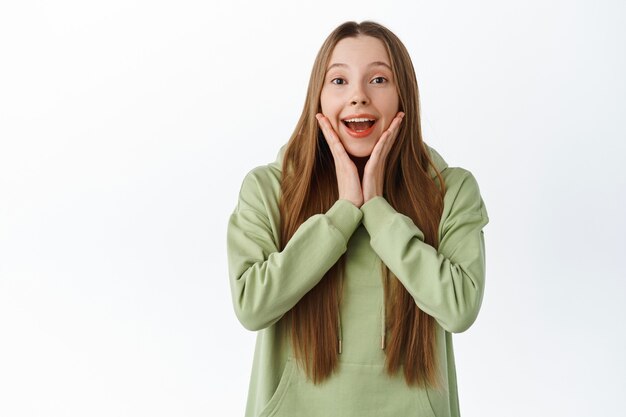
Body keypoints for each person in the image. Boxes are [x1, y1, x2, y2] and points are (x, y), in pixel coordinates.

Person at [227, 20, 489, 417]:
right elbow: (251, 306)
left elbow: (459, 309)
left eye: (379, 79)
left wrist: (378, 210)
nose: (358, 97)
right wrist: (343, 213)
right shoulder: (268, 188)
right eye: (339, 81)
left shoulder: (451, 191)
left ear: (404, 96)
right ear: (317, 96)